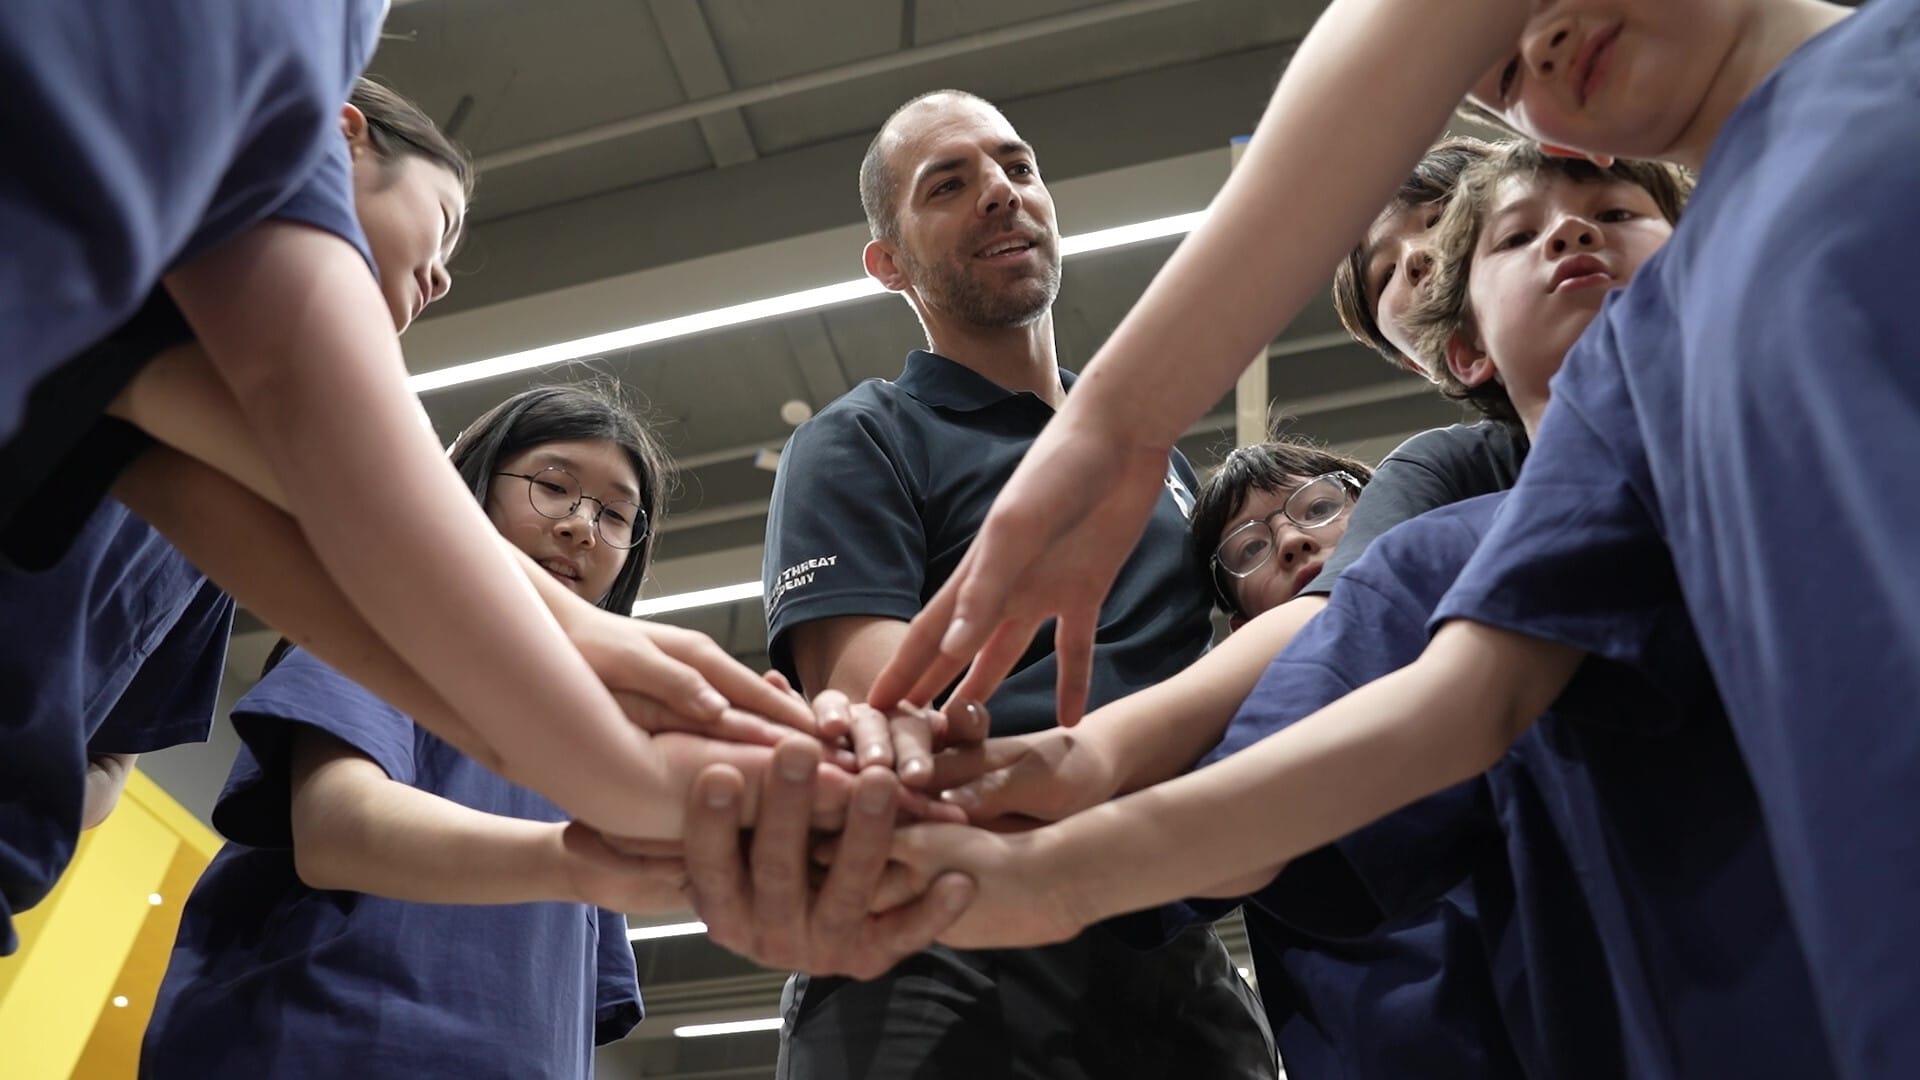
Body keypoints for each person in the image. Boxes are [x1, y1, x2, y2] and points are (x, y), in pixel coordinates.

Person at [880, 6, 1915, 1070]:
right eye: (1503, 68)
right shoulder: (1612, 404)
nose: (1545, 41)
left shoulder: (1875, 95)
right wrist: (1055, 857)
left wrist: (1118, 421)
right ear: (1458, 353)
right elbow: (1454, 705)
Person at [2, 1, 814, 847]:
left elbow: (330, 522)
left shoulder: (154, 378)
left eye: (614, 514)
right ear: (340, 136)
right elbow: (341, 464)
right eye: (446, 224)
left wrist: (661, 750)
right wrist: (657, 748)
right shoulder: (260, 83)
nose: (446, 281)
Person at [751, 88, 1275, 1079]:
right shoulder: (861, 438)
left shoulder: (1153, 457)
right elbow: (880, 709)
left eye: (1018, 168)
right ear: (889, 263)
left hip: (1163, 928)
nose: (999, 193)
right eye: (948, 185)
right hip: (944, 928)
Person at [139, 385, 681, 1078]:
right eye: (553, 486)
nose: (582, 525)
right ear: (475, 486)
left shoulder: (595, 742)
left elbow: (566, 1011)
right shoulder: (384, 627)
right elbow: (339, 829)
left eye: (615, 514)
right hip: (320, 1047)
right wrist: (578, 857)